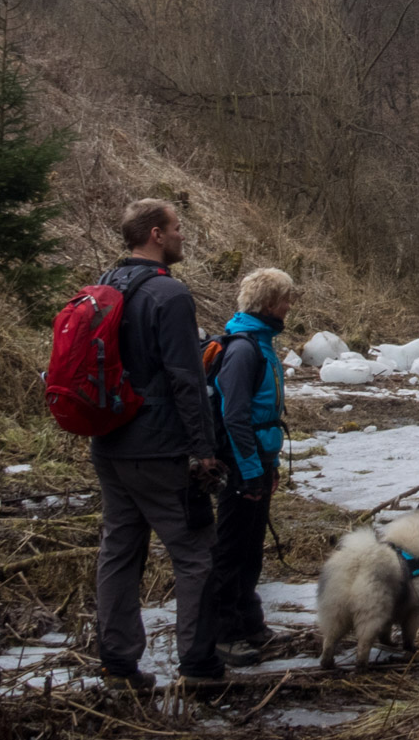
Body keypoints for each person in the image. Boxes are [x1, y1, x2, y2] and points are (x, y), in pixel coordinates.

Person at [91, 198, 225, 689]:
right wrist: (204, 450)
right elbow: (185, 379)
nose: (182, 235)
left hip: (109, 443)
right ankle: (199, 666)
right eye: (176, 228)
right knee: (196, 554)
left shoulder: (106, 285)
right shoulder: (169, 296)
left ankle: (118, 664)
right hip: (160, 447)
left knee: (119, 551)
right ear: (154, 234)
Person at [208, 267, 295, 666]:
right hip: (239, 462)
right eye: (285, 299)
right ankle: (224, 634)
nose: (289, 307)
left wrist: (269, 465)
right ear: (268, 303)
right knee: (231, 549)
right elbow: (234, 414)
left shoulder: (263, 344)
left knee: (250, 548)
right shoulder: (244, 348)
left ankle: (248, 621)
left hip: (258, 459)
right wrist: (248, 469)